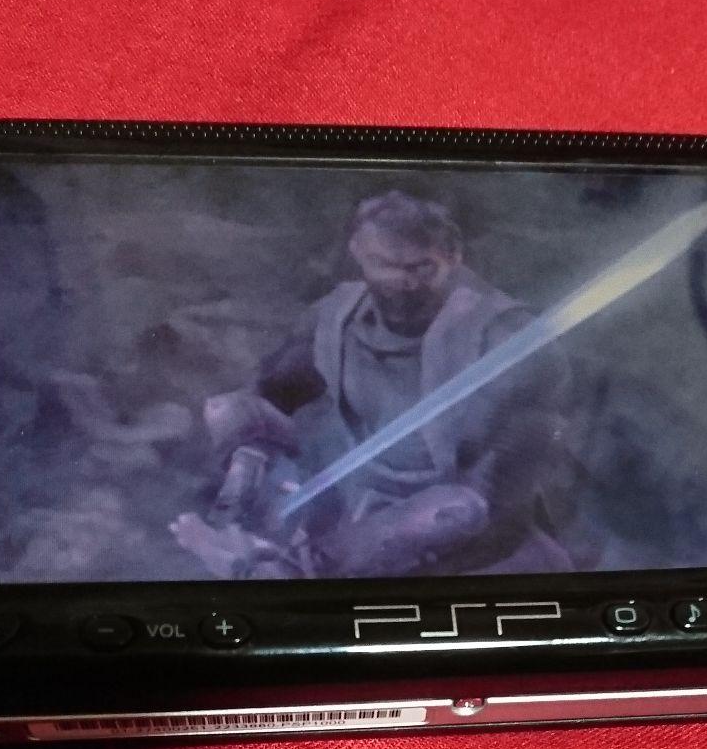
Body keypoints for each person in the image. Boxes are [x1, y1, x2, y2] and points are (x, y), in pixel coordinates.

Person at [171, 190, 573, 579]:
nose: (404, 282)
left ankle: (294, 569)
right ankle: (238, 531)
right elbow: (272, 393)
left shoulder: (505, 335)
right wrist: (245, 467)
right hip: (359, 488)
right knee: (230, 410)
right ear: (358, 254)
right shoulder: (335, 316)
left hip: (454, 507)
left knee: (453, 510)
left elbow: (497, 482)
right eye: (384, 264)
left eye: (421, 267)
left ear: (453, 257)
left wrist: (377, 533)